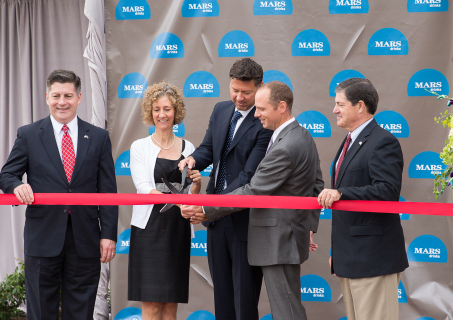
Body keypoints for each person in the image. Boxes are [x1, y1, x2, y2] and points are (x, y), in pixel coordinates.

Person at [182, 81, 324, 320]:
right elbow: (316, 184)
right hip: (285, 239)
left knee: (286, 311)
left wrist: (207, 207)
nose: (255, 114)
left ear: (281, 107)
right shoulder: (302, 135)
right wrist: (307, 226)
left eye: (261, 108)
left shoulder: (285, 146)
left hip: (279, 242)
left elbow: (253, 191)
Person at [0, 69, 118, 320]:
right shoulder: (29, 134)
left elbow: (108, 190)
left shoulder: (98, 137)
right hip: (43, 237)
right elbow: (6, 175)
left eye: (68, 95)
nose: (62, 102)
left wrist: (108, 235)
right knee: (41, 310)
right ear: (47, 97)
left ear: (79, 97)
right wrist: (16, 185)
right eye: (56, 96)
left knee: (81, 311)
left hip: (85, 239)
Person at [178, 58, 272, 320]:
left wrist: (210, 209)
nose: (239, 97)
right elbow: (209, 148)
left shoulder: (265, 121)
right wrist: (193, 159)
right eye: (234, 90)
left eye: (246, 92)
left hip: (244, 221)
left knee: (244, 301)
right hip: (215, 221)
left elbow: (248, 177)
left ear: (259, 87)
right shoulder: (221, 110)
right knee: (223, 298)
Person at [318, 78, 408, 320]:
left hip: (373, 258)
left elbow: (387, 191)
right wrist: (339, 251)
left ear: (360, 106)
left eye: (340, 104)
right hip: (351, 257)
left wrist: (341, 193)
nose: (334, 110)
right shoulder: (349, 140)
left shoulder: (383, 141)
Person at [128, 81, 201, 320]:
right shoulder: (139, 147)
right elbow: (143, 189)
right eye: (157, 109)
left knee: (171, 305)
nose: (162, 114)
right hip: (149, 230)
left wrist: (197, 186)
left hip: (177, 230)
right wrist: (181, 202)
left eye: (167, 109)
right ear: (150, 112)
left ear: (176, 111)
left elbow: (191, 196)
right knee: (151, 305)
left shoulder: (188, 147)